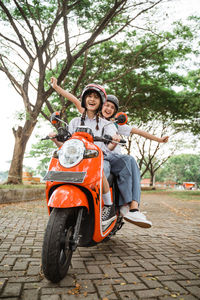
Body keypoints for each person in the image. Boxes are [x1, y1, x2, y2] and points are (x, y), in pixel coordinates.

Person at [50, 77, 169, 228]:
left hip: (103, 156)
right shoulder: (76, 120)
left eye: (111, 107)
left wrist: (158, 139)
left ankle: (126, 206)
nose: (108, 108)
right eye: (90, 97)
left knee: (126, 162)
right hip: (81, 157)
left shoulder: (109, 124)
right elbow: (73, 102)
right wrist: (56, 87)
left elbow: (134, 133)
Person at [49, 83, 120, 227]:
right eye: (89, 96)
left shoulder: (106, 125)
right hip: (76, 160)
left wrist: (115, 141)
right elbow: (67, 146)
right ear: (84, 100)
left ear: (100, 102)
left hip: (95, 159)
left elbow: (110, 147)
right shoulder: (75, 121)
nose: (92, 100)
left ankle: (108, 205)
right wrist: (56, 139)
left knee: (100, 172)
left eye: (95, 97)